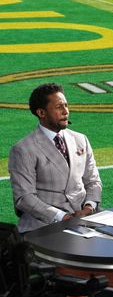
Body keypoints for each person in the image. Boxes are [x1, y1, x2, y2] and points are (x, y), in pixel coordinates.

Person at [8, 83, 102, 233]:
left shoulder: (81, 139)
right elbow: (24, 197)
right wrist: (63, 217)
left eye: (66, 105)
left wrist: (89, 207)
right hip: (45, 226)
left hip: (85, 219)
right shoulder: (23, 149)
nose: (66, 111)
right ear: (41, 113)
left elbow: (93, 181)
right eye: (59, 107)